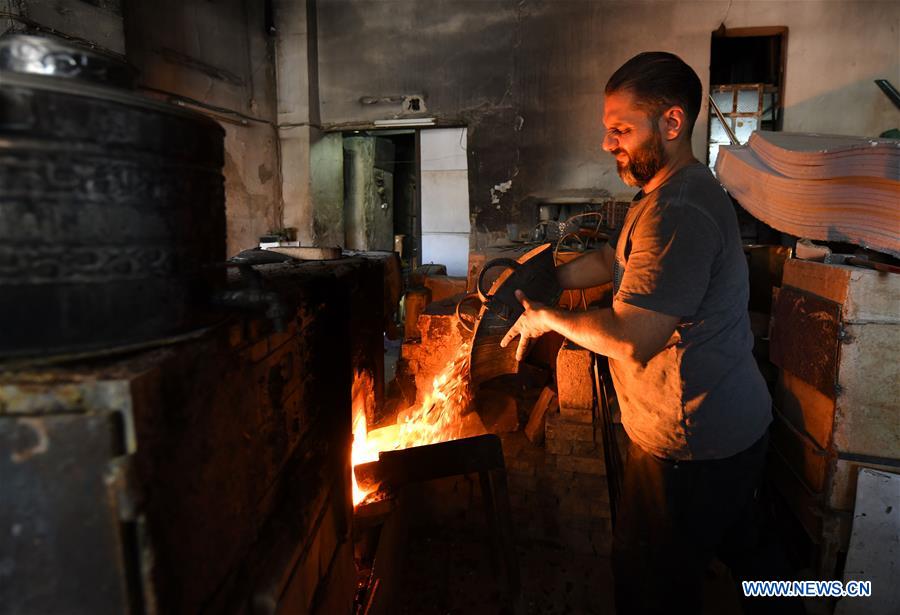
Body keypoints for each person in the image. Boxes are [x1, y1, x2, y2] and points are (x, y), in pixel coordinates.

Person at [500, 52, 781, 614]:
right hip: (730, 427)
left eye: (620, 130)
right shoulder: (661, 193)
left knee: (649, 585)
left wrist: (547, 318)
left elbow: (634, 338)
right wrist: (549, 280)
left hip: (692, 444)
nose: (609, 143)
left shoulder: (679, 209)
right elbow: (614, 258)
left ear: (672, 124)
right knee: (752, 561)